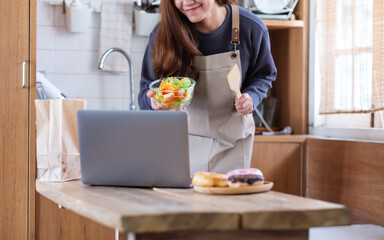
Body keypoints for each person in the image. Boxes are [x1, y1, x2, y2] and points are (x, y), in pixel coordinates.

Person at [138, 0, 277, 174]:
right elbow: (145, 93)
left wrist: (252, 97)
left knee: (225, 199)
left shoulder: (250, 27)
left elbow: (263, 74)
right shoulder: (163, 34)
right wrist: (154, 102)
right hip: (180, 146)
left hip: (232, 144)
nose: (187, 2)